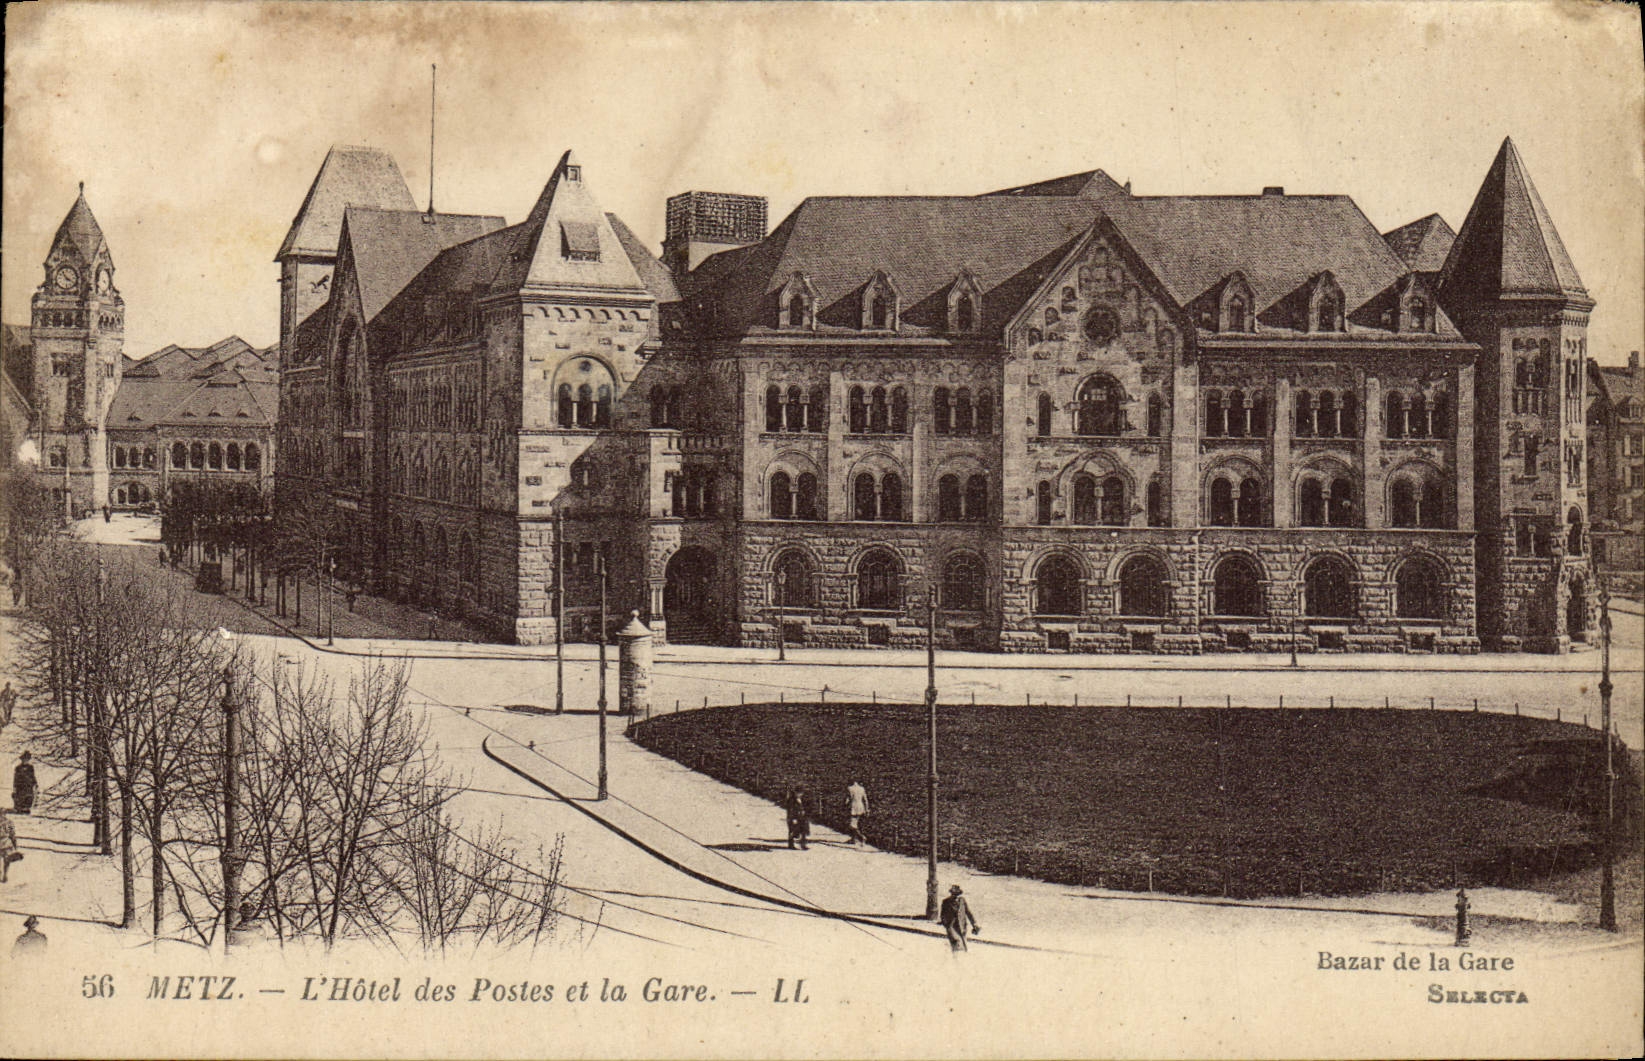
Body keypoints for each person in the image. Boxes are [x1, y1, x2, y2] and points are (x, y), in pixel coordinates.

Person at [939, 884, 980, 953]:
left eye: (957, 894)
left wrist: (974, 923)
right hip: (952, 927)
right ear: (951, 893)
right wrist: (947, 925)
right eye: (954, 894)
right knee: (956, 943)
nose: (955, 896)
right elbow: (942, 915)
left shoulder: (962, 901)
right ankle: (956, 959)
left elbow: (968, 912)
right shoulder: (946, 902)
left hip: (962, 926)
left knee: (963, 945)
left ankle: (960, 959)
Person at [784, 786, 811, 850]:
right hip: (793, 818)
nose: (800, 794)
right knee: (793, 831)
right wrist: (793, 818)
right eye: (798, 793)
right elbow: (790, 810)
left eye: (801, 793)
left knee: (804, 831)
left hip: (802, 817)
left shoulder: (802, 799)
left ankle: (803, 845)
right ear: (795, 792)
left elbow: (805, 807)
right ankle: (791, 845)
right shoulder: (791, 800)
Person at [846, 779, 870, 846]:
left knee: (852, 825)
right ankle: (854, 839)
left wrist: (845, 804)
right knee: (856, 823)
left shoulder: (850, 788)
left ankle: (862, 837)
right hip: (860, 806)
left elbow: (848, 799)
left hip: (853, 807)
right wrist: (867, 809)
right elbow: (865, 800)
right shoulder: (862, 788)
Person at [0, 812, 19, 883]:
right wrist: (15, 845)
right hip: (6, 843)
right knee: (7, 860)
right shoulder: (9, 822)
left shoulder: (9, 822)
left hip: (3, 843)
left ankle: (2, 874)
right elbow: (12, 834)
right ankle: (5, 874)